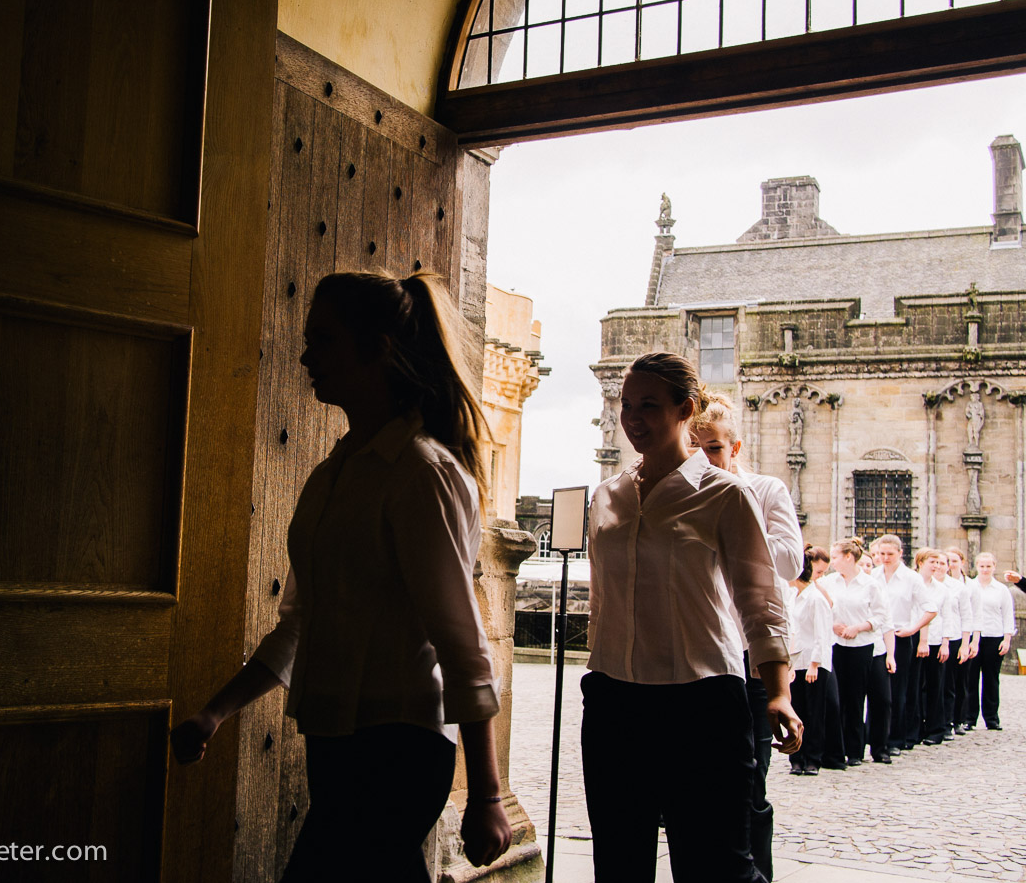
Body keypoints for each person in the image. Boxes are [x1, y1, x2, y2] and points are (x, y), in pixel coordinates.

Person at [169, 271, 512, 882]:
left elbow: (464, 647)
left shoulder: (419, 473)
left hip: (399, 749)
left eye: (323, 339)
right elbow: (300, 624)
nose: (305, 356)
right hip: (335, 742)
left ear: (378, 347)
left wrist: (485, 795)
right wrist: (215, 713)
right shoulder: (333, 475)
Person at [583, 352, 801, 883]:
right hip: (614, 697)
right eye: (625, 405)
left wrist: (777, 691)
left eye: (649, 406)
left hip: (700, 701)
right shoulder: (607, 496)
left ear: (687, 409)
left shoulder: (726, 495)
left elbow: (761, 600)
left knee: (714, 864)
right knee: (618, 861)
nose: (632, 418)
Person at [691, 393, 803, 883]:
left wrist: (735, 518)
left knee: (750, 784)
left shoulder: (764, 488)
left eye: (714, 448)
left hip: (753, 656)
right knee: (697, 786)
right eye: (696, 447)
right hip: (702, 654)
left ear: (734, 447)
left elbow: (789, 561)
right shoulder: (684, 491)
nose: (705, 458)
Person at [820, 539, 887, 766]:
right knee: (836, 699)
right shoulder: (829, 582)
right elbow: (822, 608)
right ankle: (834, 749)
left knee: (856, 698)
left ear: (849, 557)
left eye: (835, 557)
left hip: (861, 645)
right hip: (835, 643)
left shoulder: (870, 584)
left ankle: (855, 750)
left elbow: (880, 616)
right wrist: (834, 626)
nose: (832, 562)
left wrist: (859, 627)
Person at [872, 534, 937, 754]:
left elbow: (930, 608)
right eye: (882, 554)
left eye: (890, 554)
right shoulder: (873, 576)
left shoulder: (911, 578)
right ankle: (875, 737)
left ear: (900, 553)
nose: (886, 558)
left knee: (897, 691)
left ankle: (895, 739)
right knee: (877, 691)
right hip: (875, 637)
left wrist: (913, 629)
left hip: (900, 636)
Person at [787, 546, 841, 777]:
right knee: (796, 711)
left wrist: (814, 664)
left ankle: (813, 758)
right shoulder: (791, 596)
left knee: (814, 712)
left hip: (812, 662)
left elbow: (822, 634)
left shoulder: (816, 598)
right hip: (795, 661)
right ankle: (796, 758)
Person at [967, 552, 1018, 731]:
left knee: (991, 678)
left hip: (994, 636)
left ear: (994, 567)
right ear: (977, 567)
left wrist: (1007, 639)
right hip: (974, 637)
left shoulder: (1002, 590)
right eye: (982, 566)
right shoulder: (970, 586)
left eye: (989, 566)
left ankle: (991, 717)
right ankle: (969, 717)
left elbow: (1007, 615)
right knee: (970, 678)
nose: (985, 569)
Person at [856, 549, 897, 764]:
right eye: (861, 565)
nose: (865, 569)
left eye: (869, 565)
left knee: (883, 700)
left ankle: (880, 747)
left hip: (877, 650)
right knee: (853, 702)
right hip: (853, 651)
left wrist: (891, 654)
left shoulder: (877, 588)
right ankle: (855, 747)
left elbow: (887, 624)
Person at [914, 549, 951, 746]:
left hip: (936, 641)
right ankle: (916, 728)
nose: (936, 566)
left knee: (935, 685)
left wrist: (946, 643)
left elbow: (947, 617)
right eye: (932, 562)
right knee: (915, 686)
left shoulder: (942, 589)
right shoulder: (913, 583)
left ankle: (936, 729)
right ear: (920, 562)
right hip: (914, 639)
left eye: (939, 562)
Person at [941, 547, 975, 739]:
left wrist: (968, 642)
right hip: (934, 639)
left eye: (952, 561)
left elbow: (969, 616)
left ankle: (954, 720)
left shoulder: (961, 587)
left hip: (954, 637)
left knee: (954, 683)